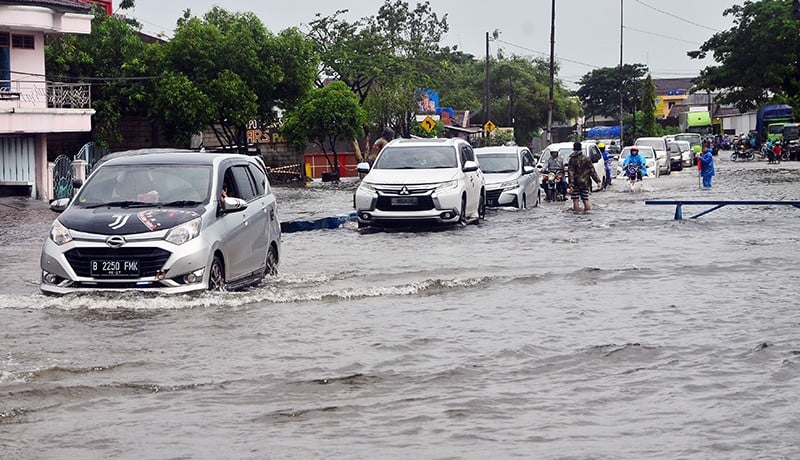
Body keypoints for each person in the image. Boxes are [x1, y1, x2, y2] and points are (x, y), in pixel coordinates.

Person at [567, 141, 603, 213]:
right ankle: (587, 214)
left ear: (574, 149)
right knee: (585, 199)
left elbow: (571, 173)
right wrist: (598, 181)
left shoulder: (572, 160)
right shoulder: (586, 158)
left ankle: (576, 214)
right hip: (585, 183)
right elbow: (592, 171)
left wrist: (571, 185)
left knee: (575, 200)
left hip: (576, 183)